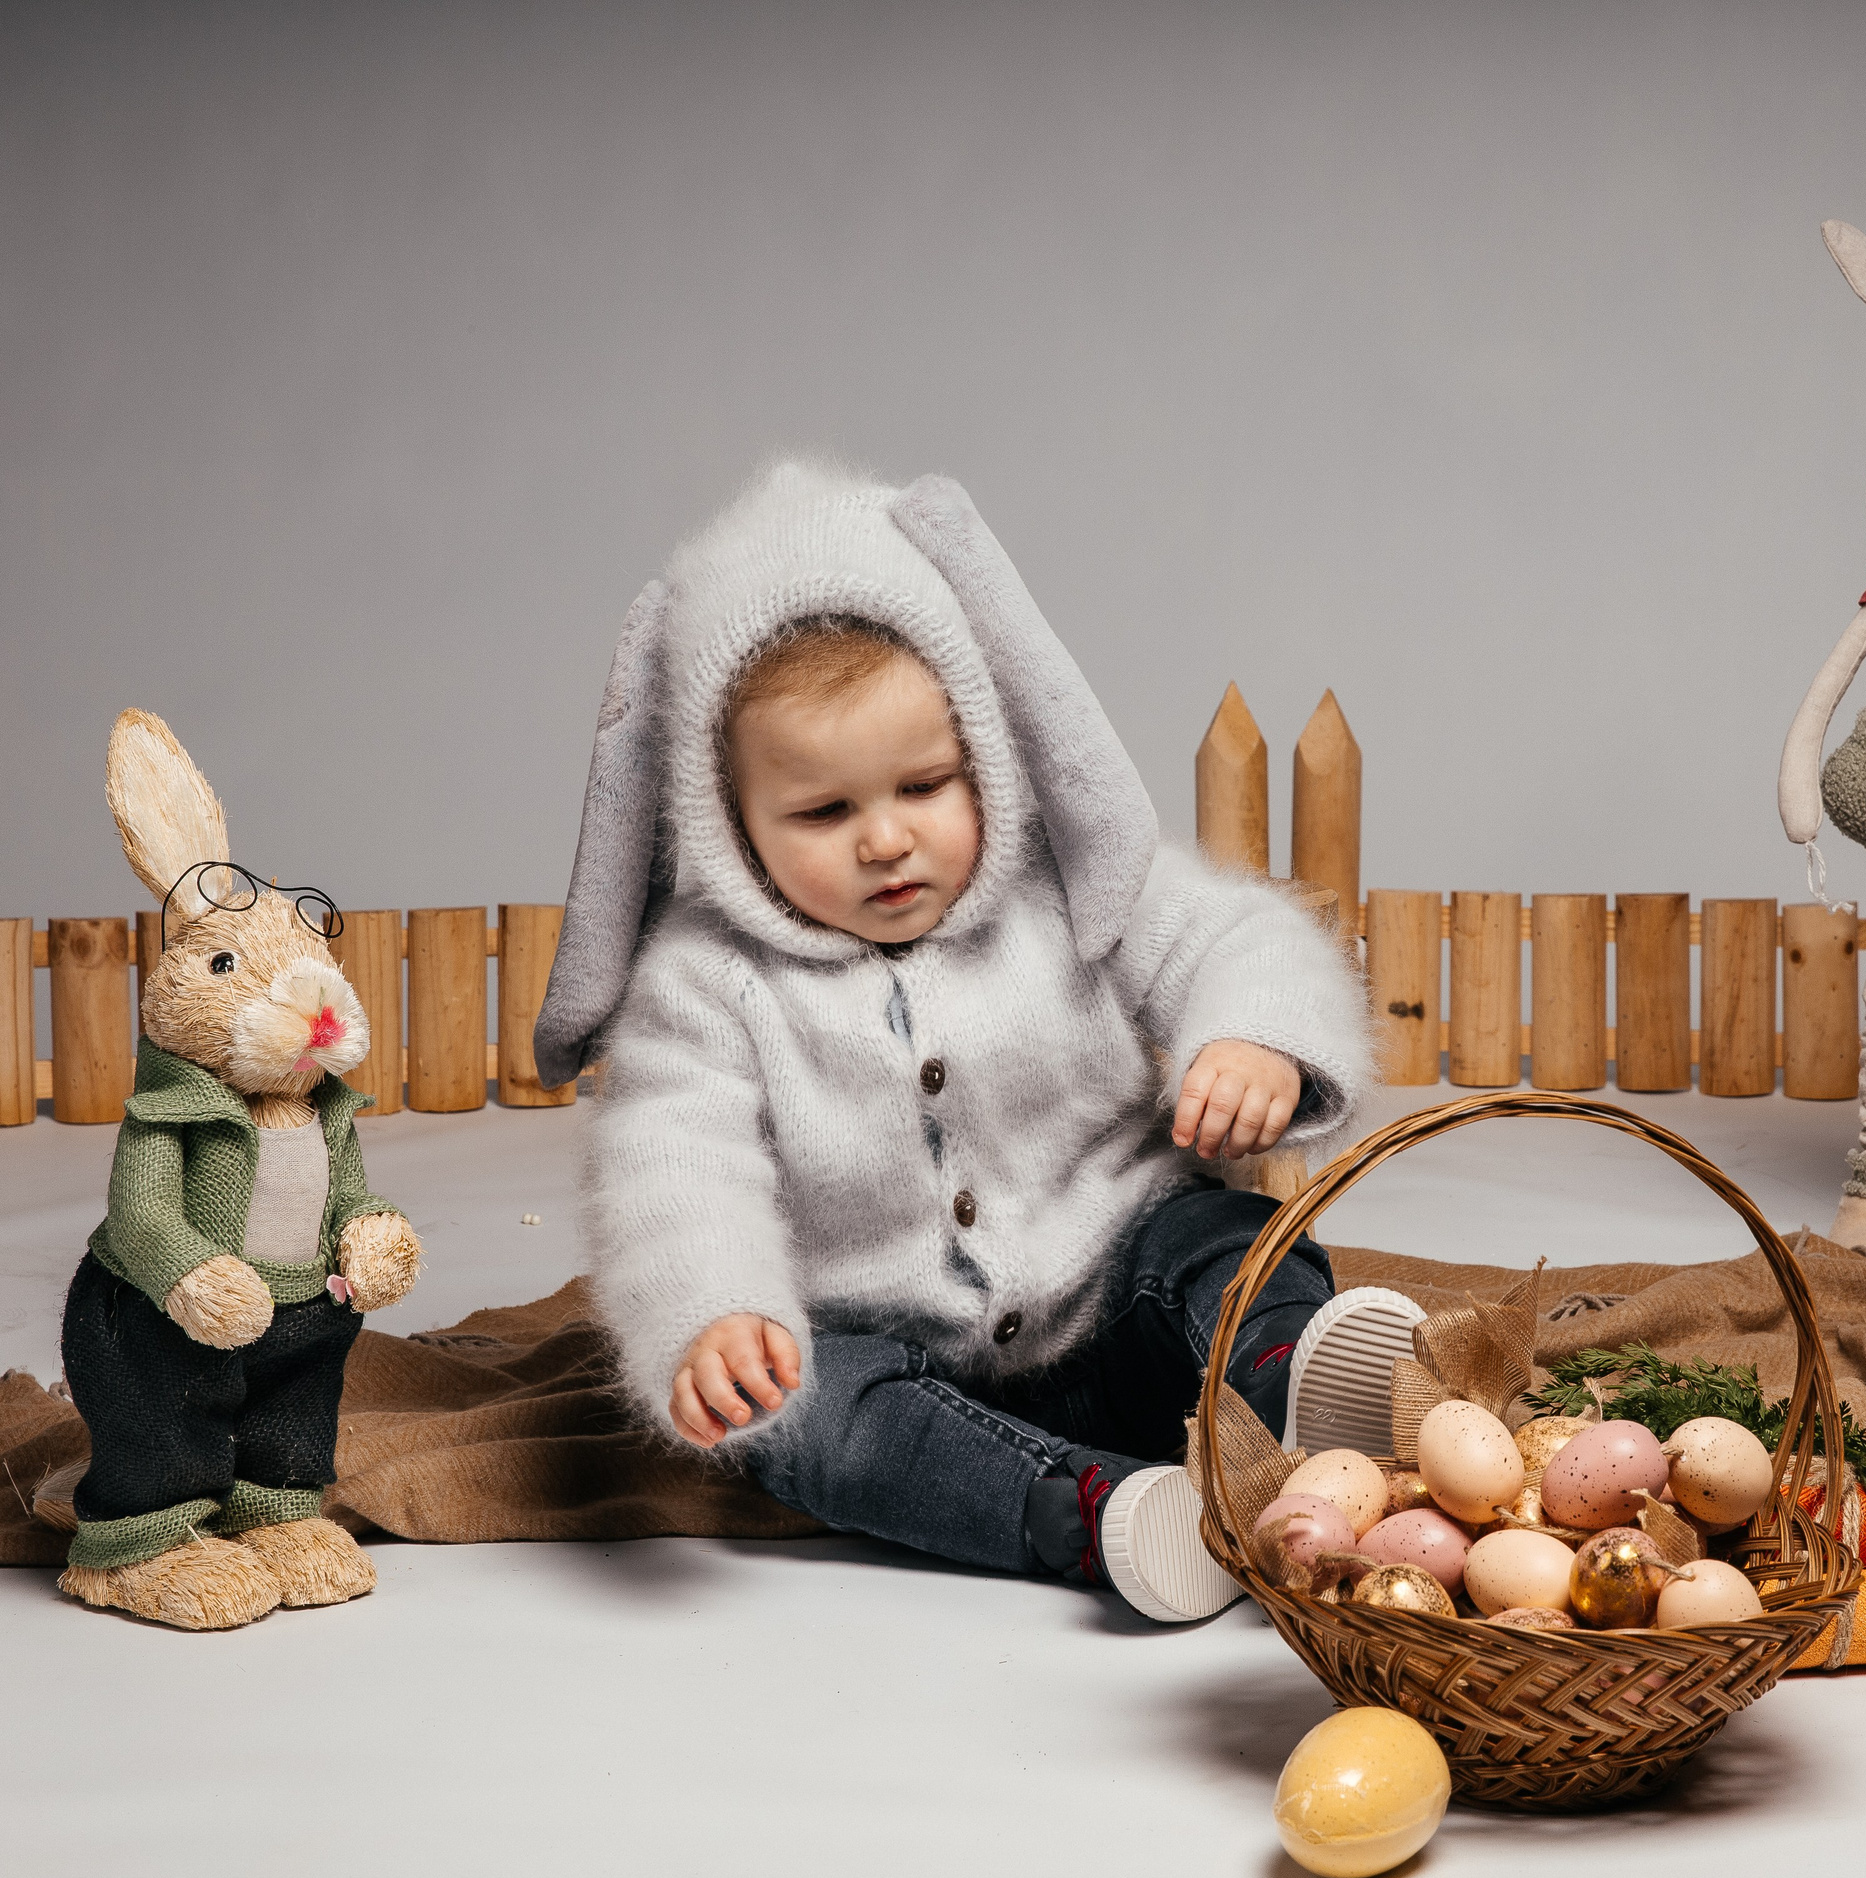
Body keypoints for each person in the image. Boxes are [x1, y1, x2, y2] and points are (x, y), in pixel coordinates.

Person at [538, 461, 1419, 1620]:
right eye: (823, 811)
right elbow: (671, 1163)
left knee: (1221, 1237)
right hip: (908, 1362)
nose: (885, 840)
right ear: (724, 818)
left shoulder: (1062, 891)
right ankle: (1098, 1514)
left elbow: (1236, 935)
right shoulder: (705, 982)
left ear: (986, 755)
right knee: (802, 1420)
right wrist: (716, 1314)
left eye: (925, 784)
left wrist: (1257, 1041)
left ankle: (1290, 1377)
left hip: (1121, 1290)